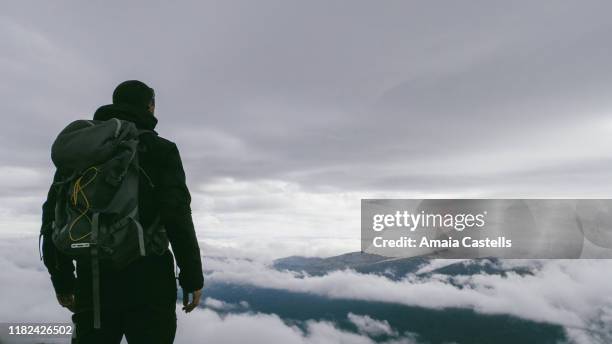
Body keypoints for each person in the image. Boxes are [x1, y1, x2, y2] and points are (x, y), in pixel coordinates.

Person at [41, 80, 204, 343]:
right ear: (150, 106)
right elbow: (177, 214)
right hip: (149, 279)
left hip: (92, 277)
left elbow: (53, 214)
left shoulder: (82, 151)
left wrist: (62, 279)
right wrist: (192, 276)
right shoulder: (160, 149)